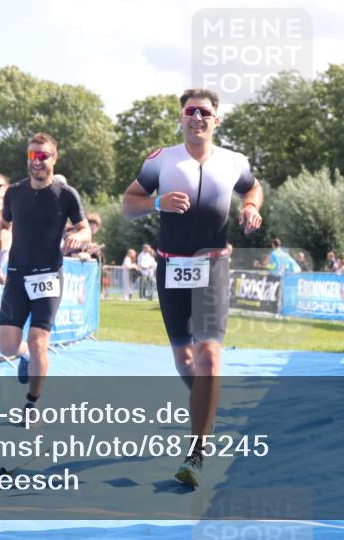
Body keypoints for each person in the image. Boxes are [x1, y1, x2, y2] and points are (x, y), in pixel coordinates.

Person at [121, 88, 263, 488]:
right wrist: (156, 203)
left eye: (205, 112)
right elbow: (128, 202)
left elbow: (252, 187)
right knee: (187, 362)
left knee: (210, 358)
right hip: (171, 268)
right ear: (181, 119)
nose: (197, 118)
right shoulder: (161, 160)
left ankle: (196, 452)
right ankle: (207, 401)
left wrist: (251, 207)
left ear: (217, 120)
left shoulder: (234, 161)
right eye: (190, 112)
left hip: (214, 266)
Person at [0, 133, 91, 416]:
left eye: (44, 155)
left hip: (48, 276)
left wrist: (78, 236)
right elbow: (4, 226)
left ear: (54, 159)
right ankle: (25, 357)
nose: (38, 161)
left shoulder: (66, 194)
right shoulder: (15, 192)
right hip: (17, 275)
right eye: (33, 155)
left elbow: (85, 227)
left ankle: (32, 403)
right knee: (7, 347)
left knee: (38, 339)